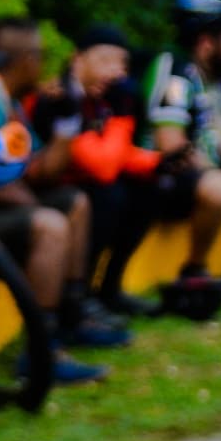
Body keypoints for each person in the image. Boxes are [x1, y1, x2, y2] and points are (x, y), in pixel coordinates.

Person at [0, 16, 121, 384]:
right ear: (26, 60)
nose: (44, 66)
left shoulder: (8, 102)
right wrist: (37, 208)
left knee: (74, 203)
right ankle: (40, 351)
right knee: (51, 225)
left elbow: (38, 172)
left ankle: (73, 316)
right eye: (41, 57)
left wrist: (68, 119)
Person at [26, 22, 163, 316]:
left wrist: (161, 162)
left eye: (122, 64)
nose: (116, 71)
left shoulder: (101, 100)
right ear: (77, 59)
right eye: (105, 61)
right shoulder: (57, 97)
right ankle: (78, 295)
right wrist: (124, 116)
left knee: (149, 188)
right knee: (107, 195)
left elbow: (117, 156)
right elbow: (101, 166)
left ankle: (109, 288)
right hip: (46, 190)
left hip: (83, 182)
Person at [141, 0, 221, 301]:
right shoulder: (177, 73)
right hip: (156, 181)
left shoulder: (212, 80)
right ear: (206, 41)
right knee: (219, 187)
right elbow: (170, 143)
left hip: (194, 177)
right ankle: (193, 271)